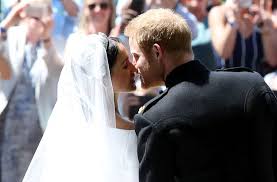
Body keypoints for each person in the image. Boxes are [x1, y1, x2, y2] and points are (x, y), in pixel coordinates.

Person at [124, 8, 277, 182]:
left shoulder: (154, 118)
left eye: (136, 56)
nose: (134, 65)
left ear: (157, 52)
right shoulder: (251, 85)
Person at [22, 33, 139, 182]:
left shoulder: (67, 131)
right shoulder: (132, 132)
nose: (134, 68)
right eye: (125, 65)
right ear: (103, 76)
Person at [0, 0, 63, 181]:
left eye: (43, 12)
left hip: (38, 131)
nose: (37, 18)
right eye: (33, 11)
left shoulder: (53, 42)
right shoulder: (10, 35)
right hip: (7, 128)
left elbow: (56, 70)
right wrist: (7, 21)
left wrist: (46, 38)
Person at [208, 0, 277, 75]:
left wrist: (264, 26)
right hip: (227, 82)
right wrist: (233, 20)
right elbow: (224, 53)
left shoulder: (261, 15)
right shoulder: (218, 12)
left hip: (256, 82)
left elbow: (273, 60)